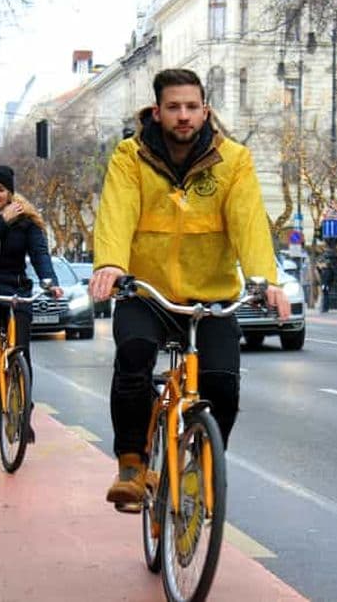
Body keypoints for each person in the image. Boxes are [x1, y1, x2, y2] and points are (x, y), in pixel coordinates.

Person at [89, 68, 291, 509]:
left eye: (191, 107)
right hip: (147, 292)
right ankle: (132, 464)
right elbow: (117, 212)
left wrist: (265, 279)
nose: (183, 115)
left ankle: (200, 467)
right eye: (174, 107)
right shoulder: (131, 156)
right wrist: (111, 264)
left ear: (206, 111)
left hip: (211, 294)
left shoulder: (233, 160)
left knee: (223, 383)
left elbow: (249, 221)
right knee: (135, 357)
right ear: (157, 112)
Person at [0, 166, 62, 438]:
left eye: (1, 190)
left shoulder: (27, 221)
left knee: (22, 351)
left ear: (10, 192)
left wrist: (50, 282)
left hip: (16, 289)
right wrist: (1, 222)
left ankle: (22, 416)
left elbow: (40, 255)